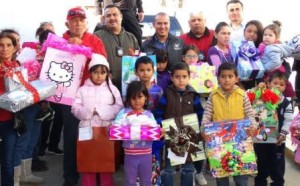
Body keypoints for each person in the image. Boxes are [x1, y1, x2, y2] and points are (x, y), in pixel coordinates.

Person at [62, 6, 107, 186]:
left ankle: (94, 174)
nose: (78, 23)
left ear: (87, 22)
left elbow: (102, 62)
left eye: (81, 19)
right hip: (68, 97)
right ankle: (70, 178)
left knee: (93, 137)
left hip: (92, 96)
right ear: (67, 23)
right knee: (71, 137)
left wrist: (82, 46)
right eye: (74, 20)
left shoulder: (94, 39)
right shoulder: (59, 40)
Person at [201, 62, 257, 186]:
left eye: (230, 76)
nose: (226, 80)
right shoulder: (213, 95)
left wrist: (253, 127)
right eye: (223, 76)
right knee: (221, 176)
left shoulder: (243, 95)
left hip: (240, 142)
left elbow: (250, 114)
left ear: (236, 78)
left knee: (241, 177)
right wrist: (203, 131)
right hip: (218, 143)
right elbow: (206, 116)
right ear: (218, 78)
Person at [71, 53, 123, 186]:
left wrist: (101, 112)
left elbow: (119, 107)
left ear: (107, 73)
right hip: (86, 130)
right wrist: (88, 112)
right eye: (95, 72)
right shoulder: (82, 90)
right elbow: (75, 108)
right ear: (90, 73)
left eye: (102, 72)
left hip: (105, 130)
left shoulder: (113, 89)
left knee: (106, 162)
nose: (99, 75)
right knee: (88, 163)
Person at [155, 62, 204, 186]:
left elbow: (200, 114)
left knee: (188, 169)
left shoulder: (193, 95)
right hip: (172, 137)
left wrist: (198, 130)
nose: (180, 80)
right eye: (177, 77)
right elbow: (159, 113)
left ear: (189, 77)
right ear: (172, 78)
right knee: (169, 170)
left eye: (184, 77)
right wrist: (161, 126)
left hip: (190, 137)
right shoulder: (167, 94)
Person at [112, 80, 162, 186]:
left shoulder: (149, 115)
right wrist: (113, 128)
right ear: (129, 99)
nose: (137, 101)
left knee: (146, 181)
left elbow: (155, 129)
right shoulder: (124, 113)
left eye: (140, 97)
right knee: (130, 181)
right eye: (133, 98)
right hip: (130, 155)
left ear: (146, 97)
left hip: (146, 154)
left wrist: (160, 131)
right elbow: (115, 126)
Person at [254, 71, 293, 186]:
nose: (278, 86)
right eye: (275, 83)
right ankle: (260, 181)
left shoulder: (286, 103)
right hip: (262, 139)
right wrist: (257, 90)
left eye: (281, 84)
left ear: (285, 87)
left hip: (277, 140)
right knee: (262, 162)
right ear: (268, 83)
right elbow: (253, 110)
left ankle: (278, 182)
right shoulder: (261, 98)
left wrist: (283, 134)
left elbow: (288, 120)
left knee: (277, 164)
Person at [94, 4, 139, 92]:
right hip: (105, 86)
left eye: (115, 14)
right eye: (108, 16)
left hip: (128, 87)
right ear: (104, 18)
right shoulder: (97, 37)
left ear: (121, 16)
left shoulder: (131, 37)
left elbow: (138, 59)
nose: (112, 18)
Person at [134, 56, 163, 184]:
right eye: (142, 70)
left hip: (154, 130)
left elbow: (163, 109)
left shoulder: (158, 90)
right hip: (137, 131)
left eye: (148, 70)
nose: (145, 73)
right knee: (138, 158)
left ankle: (155, 181)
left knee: (155, 157)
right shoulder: (132, 89)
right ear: (136, 72)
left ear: (153, 71)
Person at [181, 44, 207, 185]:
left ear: (198, 58)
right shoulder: (180, 71)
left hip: (199, 107)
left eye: (194, 56)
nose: (191, 59)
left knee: (198, 143)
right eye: (188, 56)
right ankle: (187, 170)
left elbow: (210, 87)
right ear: (183, 58)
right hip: (183, 110)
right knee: (184, 141)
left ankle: (199, 172)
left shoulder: (204, 70)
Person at [258, 21, 296, 99]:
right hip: (270, 72)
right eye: (265, 35)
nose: (266, 37)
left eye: (270, 35)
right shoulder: (266, 47)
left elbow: (276, 62)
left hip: (274, 72)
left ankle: (290, 98)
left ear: (276, 38)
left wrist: (264, 69)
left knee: (281, 85)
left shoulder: (273, 48)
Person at [0, 32, 19, 186]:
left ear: (14, 48)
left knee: (7, 162)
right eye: (1, 45)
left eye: (8, 45)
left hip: (9, 122)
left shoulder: (18, 67)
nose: (4, 49)